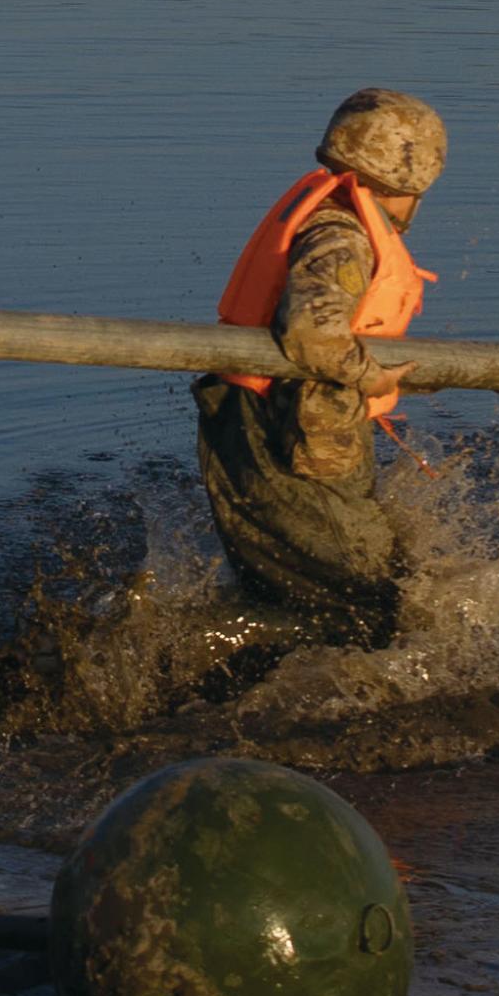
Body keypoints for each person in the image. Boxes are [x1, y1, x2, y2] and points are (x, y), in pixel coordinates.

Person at [193, 89, 446, 644]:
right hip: (281, 437)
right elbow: (312, 332)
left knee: (307, 584)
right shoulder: (342, 235)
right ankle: (168, 639)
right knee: (364, 611)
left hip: (260, 422)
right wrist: (370, 375)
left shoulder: (328, 215)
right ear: (411, 179)